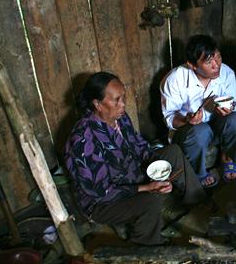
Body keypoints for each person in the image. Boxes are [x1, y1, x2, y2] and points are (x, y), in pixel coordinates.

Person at [65, 72, 206, 246]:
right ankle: (146, 243)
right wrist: (147, 187)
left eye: (123, 97)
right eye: (116, 100)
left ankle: (198, 201)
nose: (123, 104)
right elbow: (101, 192)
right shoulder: (83, 140)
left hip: (131, 174)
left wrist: (159, 170)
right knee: (150, 199)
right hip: (102, 202)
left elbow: (138, 145)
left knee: (173, 153)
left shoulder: (120, 117)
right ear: (97, 104)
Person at [161, 35, 236, 188]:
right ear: (192, 65)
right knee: (200, 129)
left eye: (218, 57)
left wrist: (230, 108)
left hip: (215, 127)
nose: (216, 65)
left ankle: (228, 158)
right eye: (209, 62)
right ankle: (198, 173)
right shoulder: (175, 79)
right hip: (189, 134)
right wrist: (187, 120)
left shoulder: (226, 72)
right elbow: (169, 117)